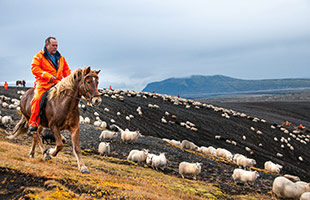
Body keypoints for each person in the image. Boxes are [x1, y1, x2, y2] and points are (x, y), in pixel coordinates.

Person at [28, 37, 71, 132]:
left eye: (56, 45)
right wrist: (47, 75)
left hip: (58, 83)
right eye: (53, 45)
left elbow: (66, 71)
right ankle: (33, 122)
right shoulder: (39, 56)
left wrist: (70, 80)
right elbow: (34, 68)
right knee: (37, 98)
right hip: (44, 83)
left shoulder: (61, 58)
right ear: (47, 45)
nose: (55, 47)